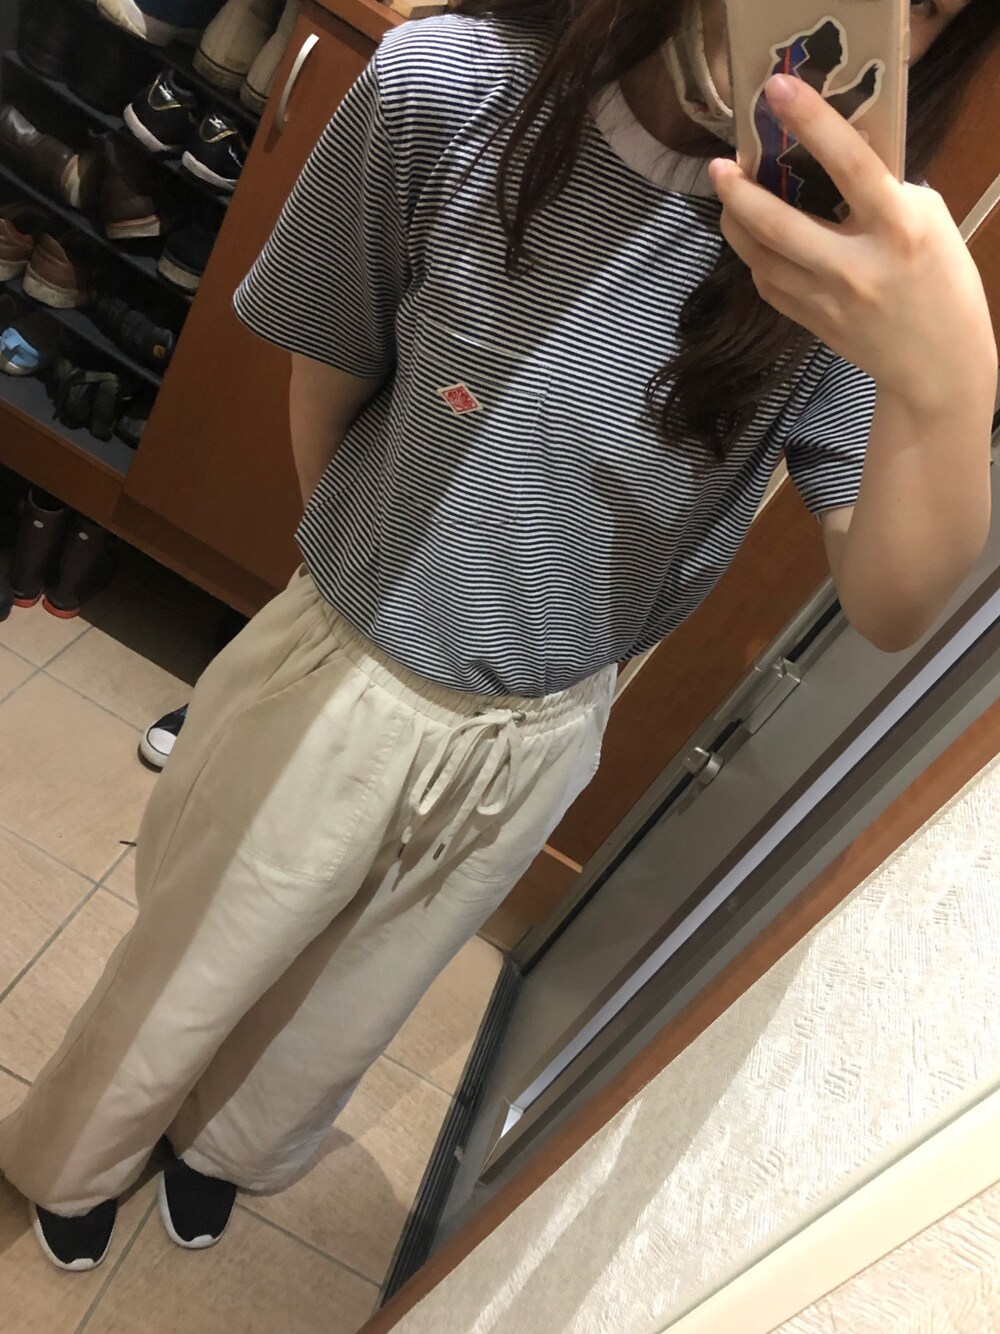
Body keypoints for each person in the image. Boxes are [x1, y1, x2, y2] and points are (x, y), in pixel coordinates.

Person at [2, 0, 997, 1273]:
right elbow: (332, 370)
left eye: (929, 7)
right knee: (190, 958)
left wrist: (946, 379)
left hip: (539, 725)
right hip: (351, 650)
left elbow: (894, 600)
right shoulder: (452, 87)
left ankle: (226, 1145)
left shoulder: (842, 270)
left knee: (349, 1001)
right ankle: (79, 1152)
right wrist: (362, 592)